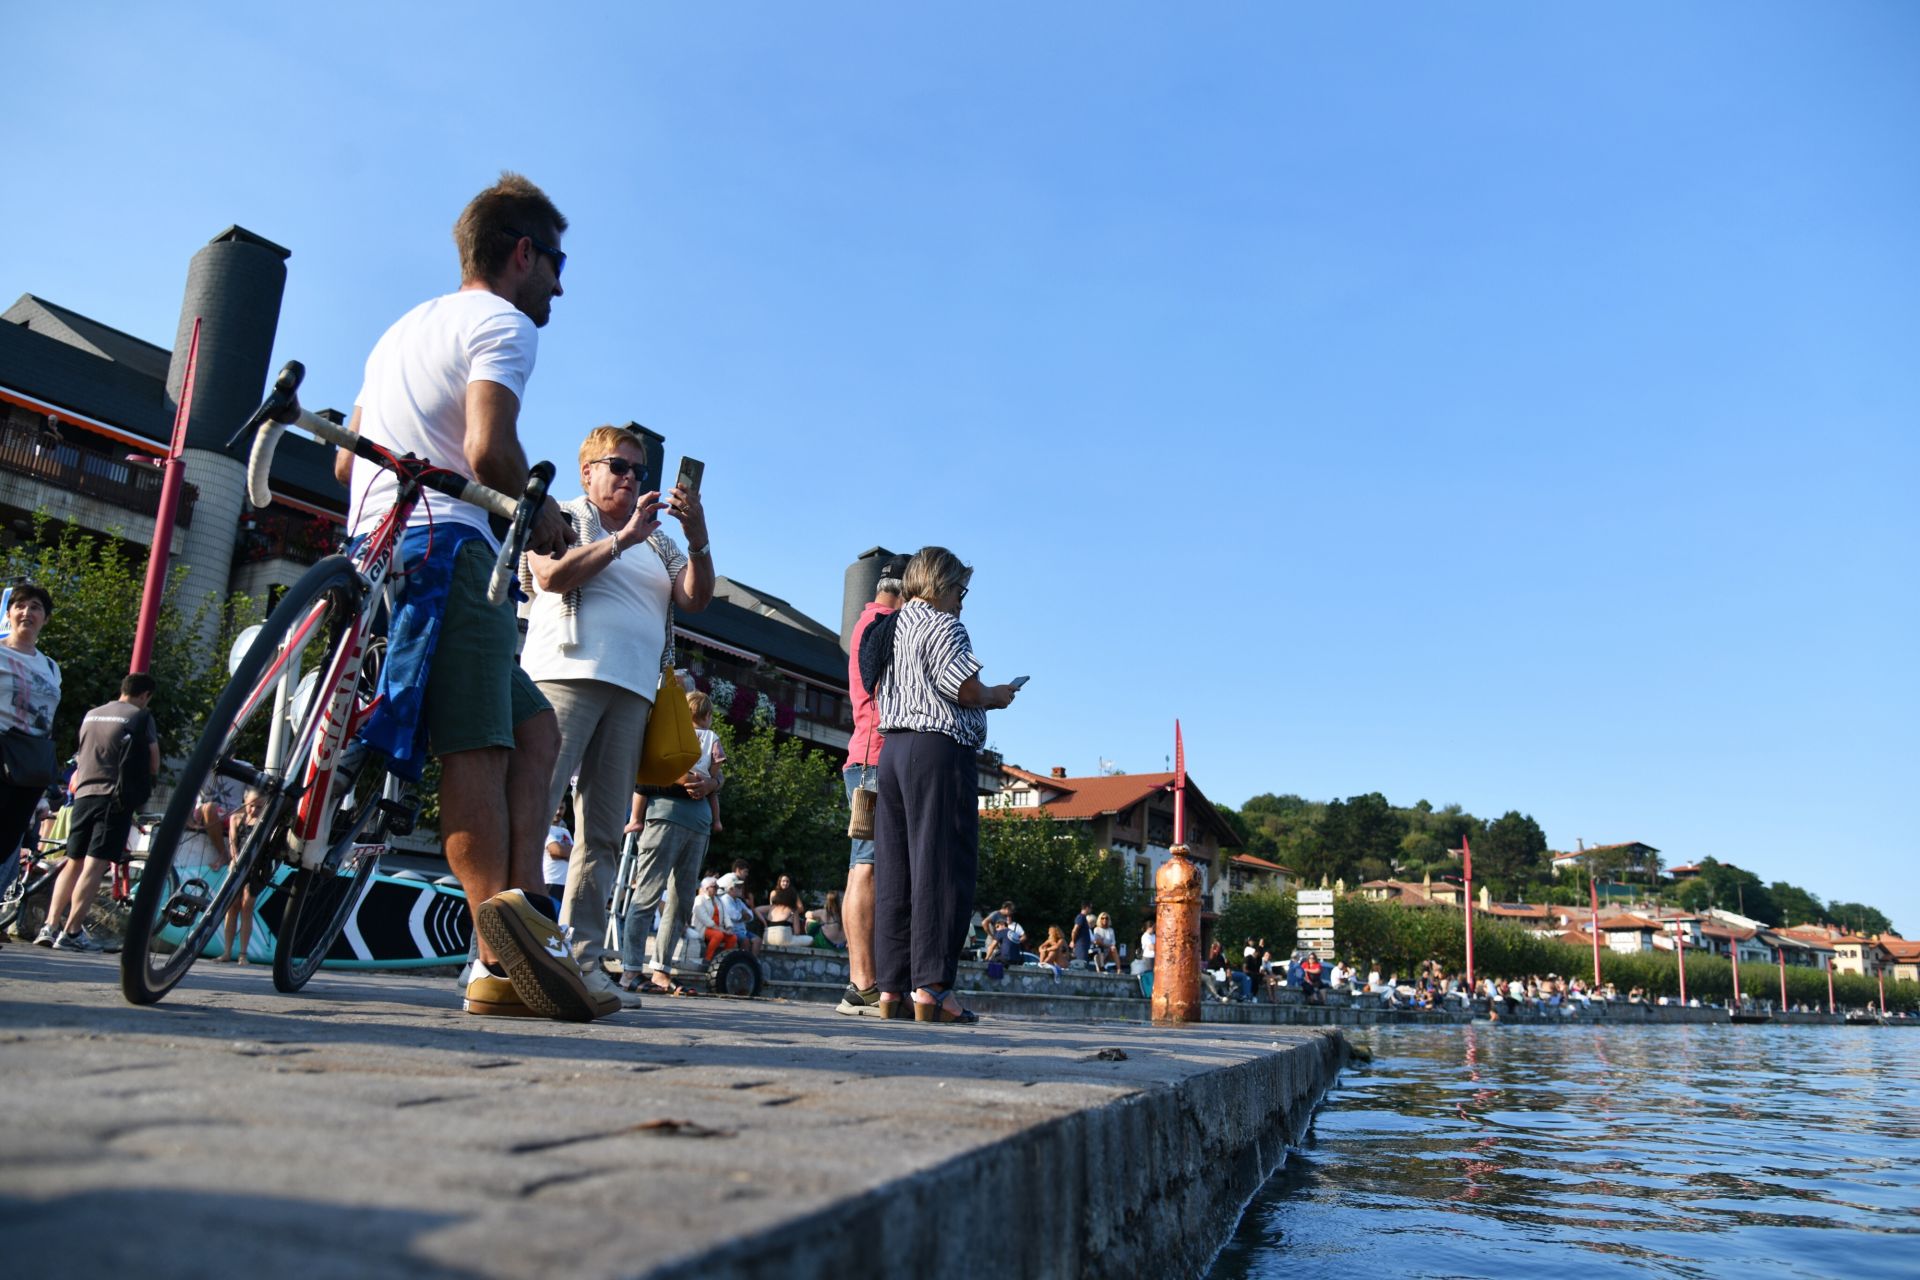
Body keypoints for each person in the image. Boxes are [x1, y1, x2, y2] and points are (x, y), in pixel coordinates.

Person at [334, 173, 612, 1022]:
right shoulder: (504, 323)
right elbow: (493, 452)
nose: (561, 284)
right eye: (556, 262)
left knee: (534, 729)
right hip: (451, 544)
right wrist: (550, 527)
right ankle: (496, 963)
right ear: (522, 252)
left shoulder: (402, 330)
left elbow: (346, 461)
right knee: (479, 747)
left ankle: (527, 920)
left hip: (373, 539)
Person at [519, 420, 713, 1009]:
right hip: (564, 676)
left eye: (638, 470)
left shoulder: (661, 539)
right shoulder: (562, 514)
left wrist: (697, 535)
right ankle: (498, 953)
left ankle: (581, 961)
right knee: (527, 813)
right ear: (588, 471)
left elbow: (695, 598)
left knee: (601, 834)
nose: (631, 477)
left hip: (634, 692)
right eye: (619, 466)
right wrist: (622, 538)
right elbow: (549, 577)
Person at [870, 547, 1019, 1025]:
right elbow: (964, 688)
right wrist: (998, 696)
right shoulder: (943, 624)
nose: (962, 600)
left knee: (896, 871)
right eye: (960, 589)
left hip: (891, 751)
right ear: (940, 584)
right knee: (941, 867)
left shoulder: (888, 626)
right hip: (937, 749)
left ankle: (891, 988)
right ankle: (932, 987)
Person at [835, 554, 907, 1016]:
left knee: (864, 867)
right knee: (867, 867)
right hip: (872, 758)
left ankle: (863, 979)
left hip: (866, 756)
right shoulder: (883, 626)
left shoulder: (869, 622)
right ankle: (861, 982)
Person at [41, 672, 156, 952]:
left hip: (82, 795)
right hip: (113, 799)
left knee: (73, 860)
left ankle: (50, 925)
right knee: (94, 865)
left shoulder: (92, 714)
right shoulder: (140, 717)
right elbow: (153, 761)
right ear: (145, 695)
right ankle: (72, 932)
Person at [623, 688, 726, 997]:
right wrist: (681, 778)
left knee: (681, 901)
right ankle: (630, 971)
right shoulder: (665, 732)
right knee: (648, 894)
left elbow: (719, 776)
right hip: (664, 815)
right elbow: (644, 772)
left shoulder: (709, 738)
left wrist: (711, 782)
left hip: (699, 823)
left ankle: (661, 971)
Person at [0, 584, 60, 916]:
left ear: (45, 619)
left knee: (7, 845)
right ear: (8, 613)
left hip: (30, 767)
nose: (27, 612)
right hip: (1, 753)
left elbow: (49, 719)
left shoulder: (52, 667)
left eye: (36, 607)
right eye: (20, 606)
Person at [219, 788, 266, 962]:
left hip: (255, 868)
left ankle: (243, 953)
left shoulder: (263, 822)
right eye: (251, 805)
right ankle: (226, 951)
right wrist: (235, 860)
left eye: (259, 807)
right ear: (245, 802)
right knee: (232, 907)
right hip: (238, 865)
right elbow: (233, 842)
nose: (254, 810)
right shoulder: (236, 818)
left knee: (247, 907)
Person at [542, 799, 573, 916]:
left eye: (561, 808)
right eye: (556, 807)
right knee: (548, 917)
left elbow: (575, 854)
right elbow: (556, 850)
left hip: (566, 884)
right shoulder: (545, 828)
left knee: (559, 920)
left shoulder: (565, 831)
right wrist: (566, 852)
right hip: (550, 881)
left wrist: (564, 853)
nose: (558, 811)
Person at [1070, 901, 1095, 969]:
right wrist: (1073, 941)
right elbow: (1074, 930)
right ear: (1086, 908)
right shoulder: (1081, 917)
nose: (1091, 909)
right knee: (1081, 964)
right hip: (1081, 946)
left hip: (1084, 946)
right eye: (1090, 908)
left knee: (1084, 964)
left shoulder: (1084, 918)